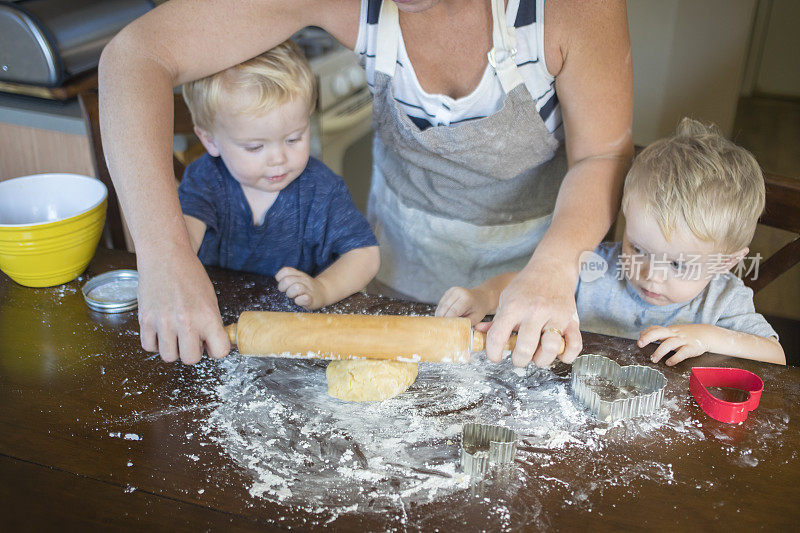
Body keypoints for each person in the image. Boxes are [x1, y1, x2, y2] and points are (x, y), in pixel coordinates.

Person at [98, 0, 633, 366]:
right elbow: (134, 56)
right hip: (398, 263)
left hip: (536, 276)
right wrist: (165, 256)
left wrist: (554, 267)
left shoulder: (567, 11)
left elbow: (603, 154)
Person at [436, 119, 786, 366]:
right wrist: (484, 295)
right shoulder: (598, 267)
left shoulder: (723, 300)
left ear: (725, 262)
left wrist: (708, 337)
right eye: (639, 249)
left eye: (678, 264)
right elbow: (527, 286)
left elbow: (776, 355)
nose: (651, 275)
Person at [177, 41, 379, 314]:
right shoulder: (205, 179)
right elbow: (182, 238)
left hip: (302, 329)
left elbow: (365, 255)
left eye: (294, 138)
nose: (278, 159)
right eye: (255, 147)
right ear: (210, 140)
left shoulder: (321, 191)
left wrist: (323, 289)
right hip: (219, 317)